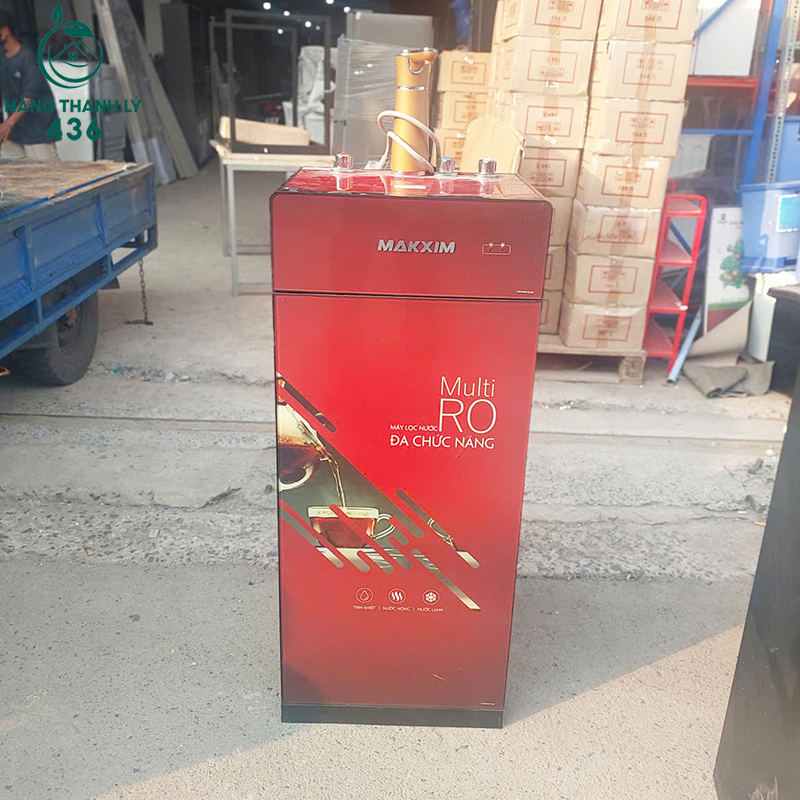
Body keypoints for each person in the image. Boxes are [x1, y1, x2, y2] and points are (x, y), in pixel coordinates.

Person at [0, 10, 60, 161]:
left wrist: (8, 124)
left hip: (38, 132)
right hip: (15, 132)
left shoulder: (27, 59)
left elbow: (29, 98)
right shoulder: (3, 58)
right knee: (15, 171)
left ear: (5, 31)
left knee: (48, 173)